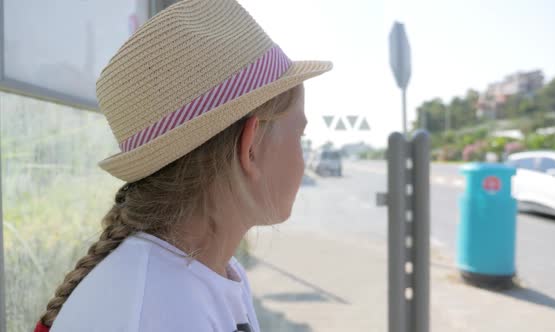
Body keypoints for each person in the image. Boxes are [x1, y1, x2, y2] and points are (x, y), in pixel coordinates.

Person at [34, 0, 332, 330]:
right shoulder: (165, 309)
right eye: (300, 136)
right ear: (250, 148)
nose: (303, 159)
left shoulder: (208, 275)